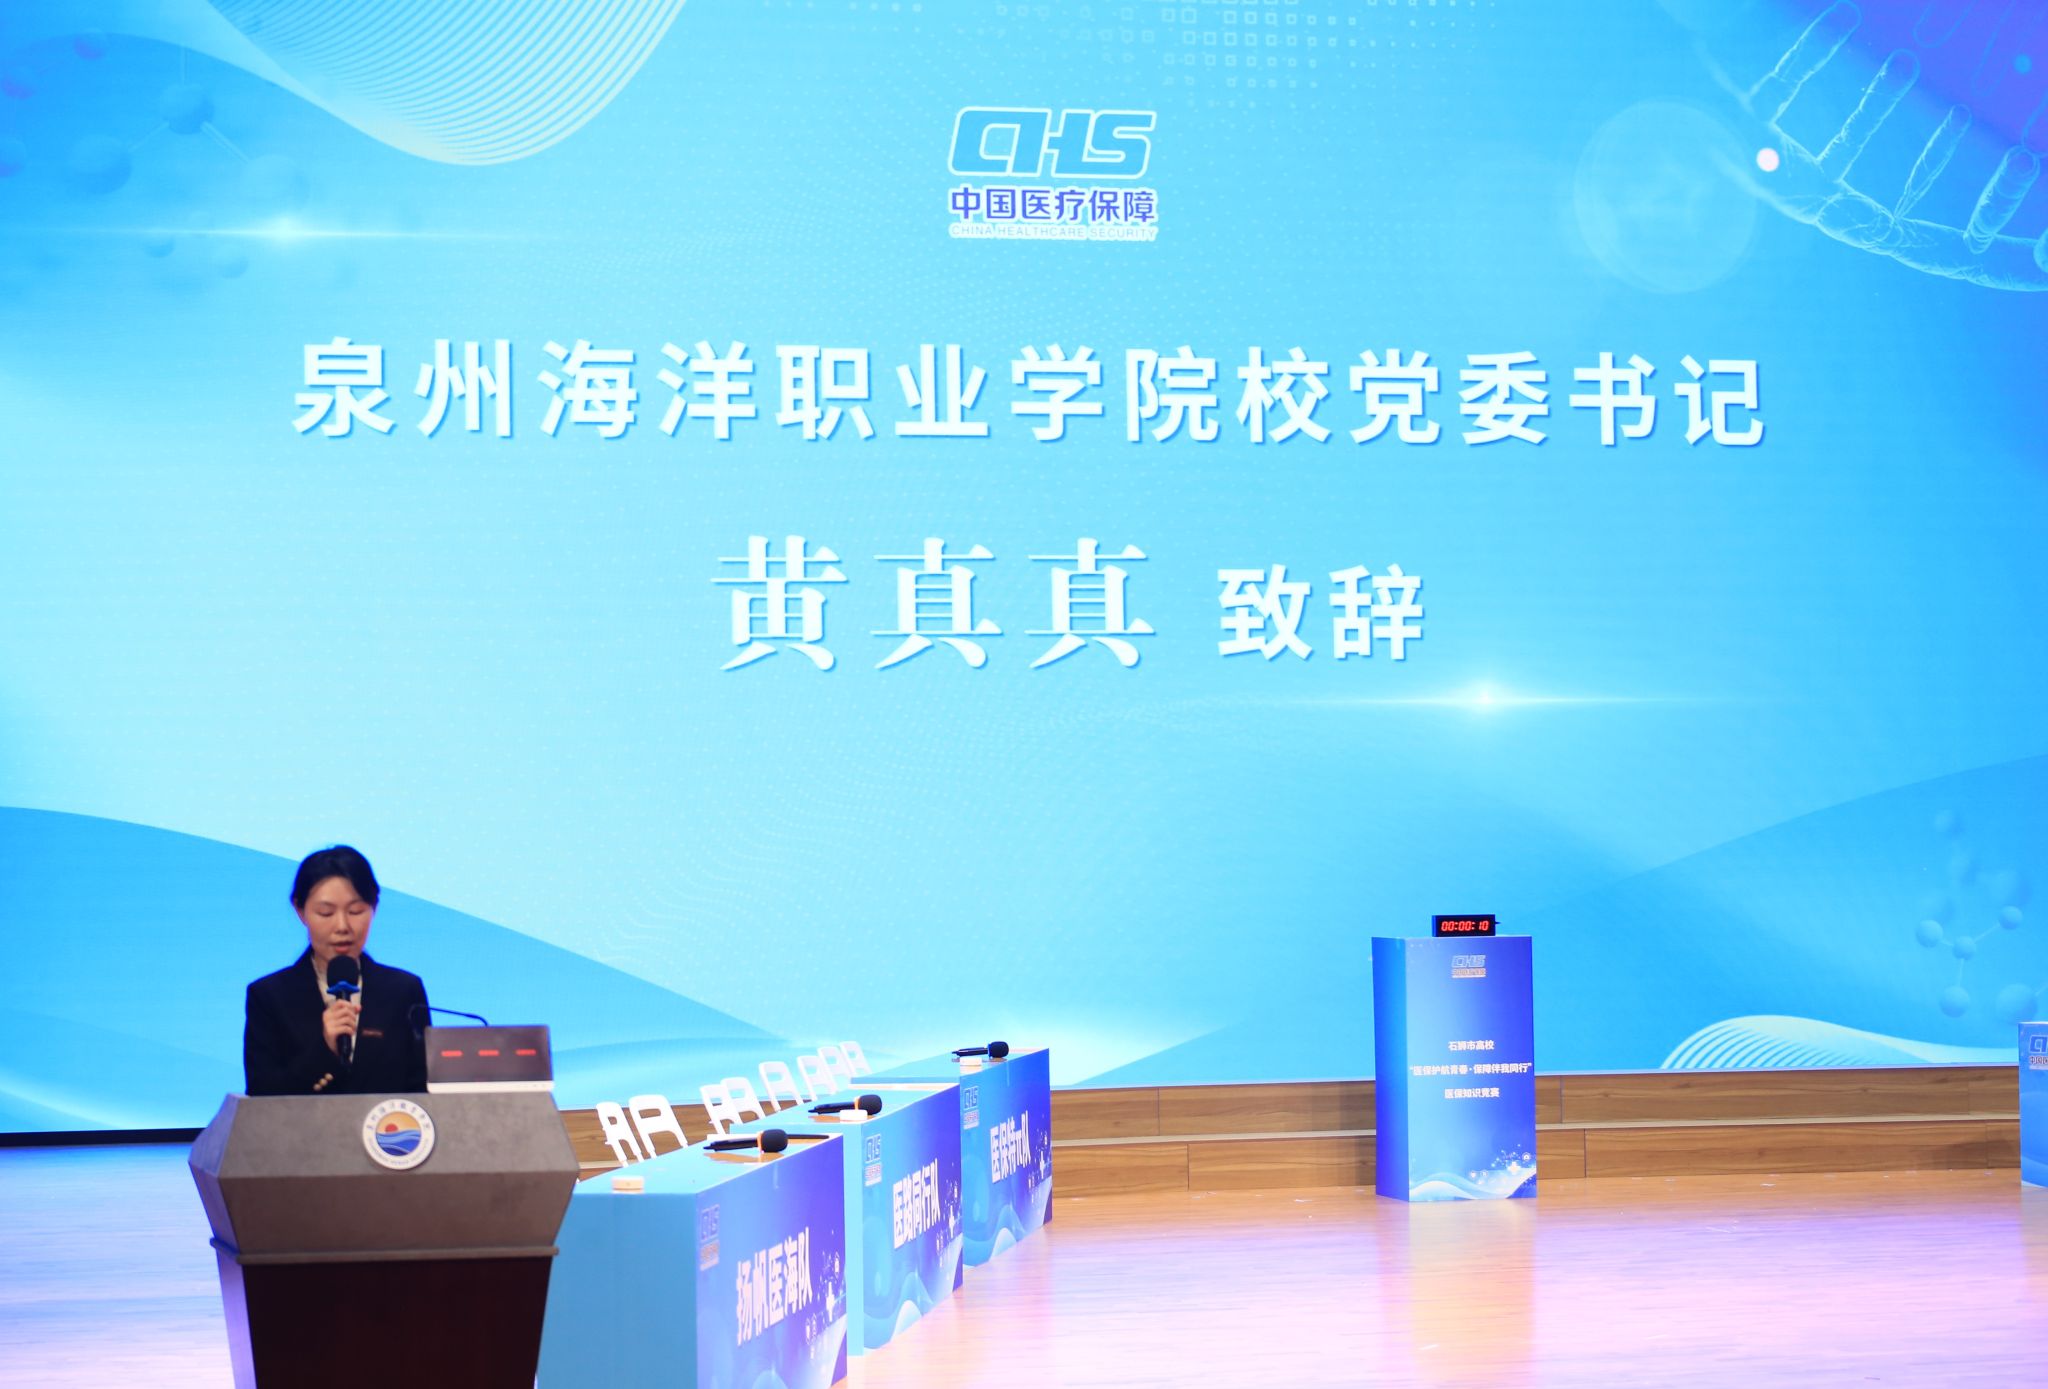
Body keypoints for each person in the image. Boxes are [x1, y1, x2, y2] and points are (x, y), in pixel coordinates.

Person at [244, 845, 430, 1096]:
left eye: (355, 911)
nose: (342, 926)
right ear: (300, 911)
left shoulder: (404, 991)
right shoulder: (268, 996)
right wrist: (324, 1051)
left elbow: (422, 1091)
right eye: (326, 913)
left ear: (374, 908)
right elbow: (261, 1097)